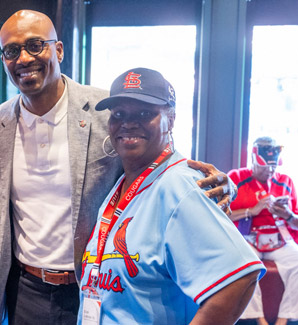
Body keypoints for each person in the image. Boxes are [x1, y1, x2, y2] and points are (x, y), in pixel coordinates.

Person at [0, 10, 237, 325]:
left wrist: (217, 183)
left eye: (35, 45)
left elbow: (158, 154)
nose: (24, 58)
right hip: (25, 290)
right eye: (12, 50)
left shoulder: (107, 109)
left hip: (95, 288)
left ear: (58, 50)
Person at [76, 67, 263, 323]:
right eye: (119, 114)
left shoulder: (181, 187)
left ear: (171, 119)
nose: (129, 123)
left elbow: (241, 279)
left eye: (145, 113)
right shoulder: (120, 184)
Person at [228, 136, 298, 325]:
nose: (270, 171)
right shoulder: (236, 177)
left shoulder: (285, 181)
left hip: (280, 238)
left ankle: (283, 319)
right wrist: (252, 210)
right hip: (248, 238)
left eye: (273, 167)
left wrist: (288, 215)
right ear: (253, 160)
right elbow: (221, 215)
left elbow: (296, 223)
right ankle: (259, 319)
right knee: (246, 263)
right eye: (265, 167)